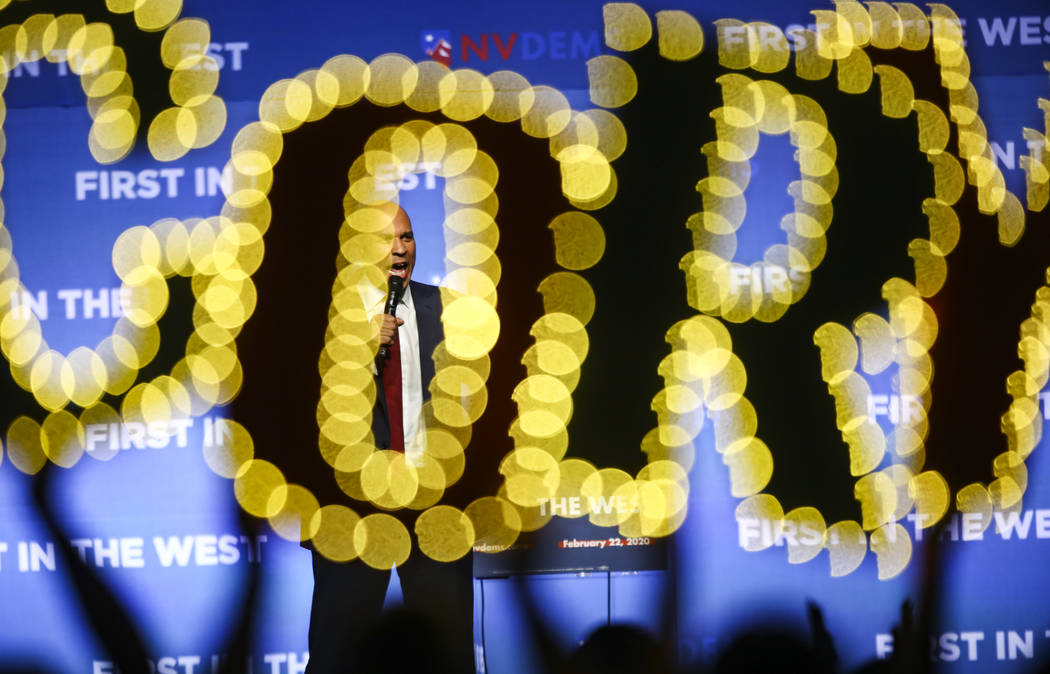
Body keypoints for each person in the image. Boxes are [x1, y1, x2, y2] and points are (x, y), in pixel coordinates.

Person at [305, 206, 476, 674]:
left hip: (433, 507)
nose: (400, 249)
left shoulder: (447, 308)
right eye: (386, 240)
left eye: (407, 237)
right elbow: (298, 409)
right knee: (336, 655)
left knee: (452, 655)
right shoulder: (322, 319)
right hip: (354, 512)